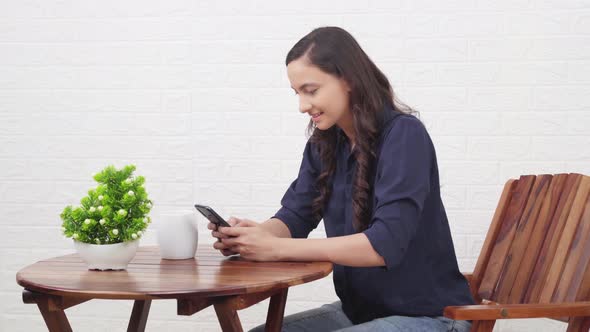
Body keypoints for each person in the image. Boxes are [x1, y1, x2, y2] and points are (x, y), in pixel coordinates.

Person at [208, 26, 474, 332]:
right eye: (297, 93)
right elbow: (295, 216)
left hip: (429, 316)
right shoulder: (325, 144)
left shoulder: (404, 136)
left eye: (311, 90)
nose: (302, 105)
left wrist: (275, 248)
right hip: (359, 313)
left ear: (347, 79)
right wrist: (253, 236)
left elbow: (383, 244)